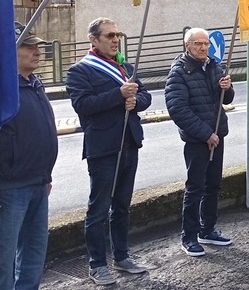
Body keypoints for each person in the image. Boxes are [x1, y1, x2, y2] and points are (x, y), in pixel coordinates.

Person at [66, 18, 151, 285]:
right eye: (110, 35)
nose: (115, 40)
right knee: (99, 210)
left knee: (122, 207)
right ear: (94, 39)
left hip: (129, 145)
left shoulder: (126, 67)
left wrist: (136, 100)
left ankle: (122, 256)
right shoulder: (80, 71)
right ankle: (97, 264)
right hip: (103, 149)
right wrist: (118, 94)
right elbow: (83, 105)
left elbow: (146, 96)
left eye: (118, 35)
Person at [165, 27, 234, 257]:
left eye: (205, 43)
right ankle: (190, 237)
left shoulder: (214, 66)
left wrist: (227, 87)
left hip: (218, 135)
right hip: (198, 140)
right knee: (195, 188)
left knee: (213, 184)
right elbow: (178, 110)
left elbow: (227, 98)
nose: (203, 47)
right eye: (197, 44)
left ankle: (208, 229)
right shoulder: (179, 72)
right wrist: (206, 134)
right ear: (187, 46)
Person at [0, 23, 58, 290]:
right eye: (28, 46)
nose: (37, 51)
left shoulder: (34, 84)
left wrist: (45, 175)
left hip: (38, 182)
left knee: (34, 255)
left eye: (38, 46)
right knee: (4, 260)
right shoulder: (4, 90)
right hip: (10, 187)